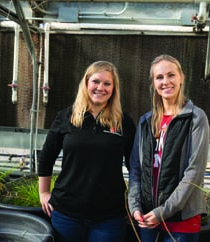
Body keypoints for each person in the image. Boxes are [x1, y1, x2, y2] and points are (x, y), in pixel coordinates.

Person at [38, 61, 136, 242]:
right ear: (86, 83)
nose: (101, 88)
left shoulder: (124, 122)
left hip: (109, 217)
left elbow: (135, 167)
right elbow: (47, 156)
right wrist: (43, 192)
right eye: (96, 81)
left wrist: (135, 204)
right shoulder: (66, 117)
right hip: (66, 213)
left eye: (107, 83)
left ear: (114, 88)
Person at [128, 54, 210, 242]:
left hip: (182, 219)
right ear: (153, 83)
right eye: (159, 77)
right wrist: (135, 207)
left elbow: (194, 171)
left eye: (171, 75)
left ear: (181, 78)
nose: (166, 82)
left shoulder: (195, 118)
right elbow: (136, 169)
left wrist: (163, 212)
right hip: (148, 217)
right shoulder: (145, 121)